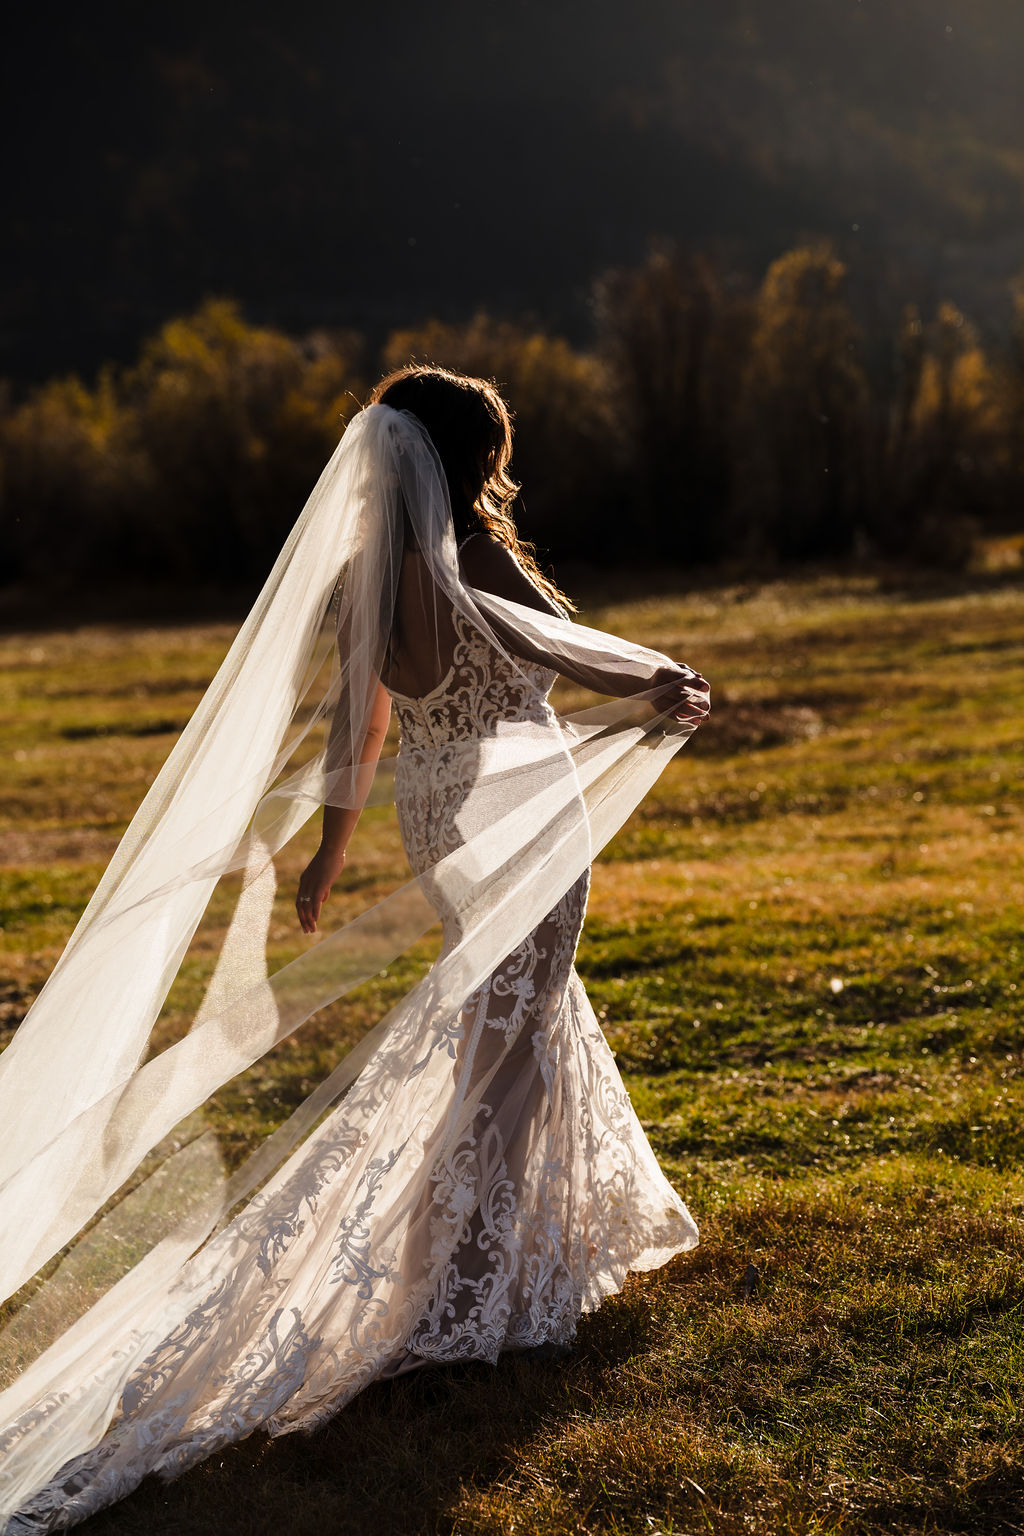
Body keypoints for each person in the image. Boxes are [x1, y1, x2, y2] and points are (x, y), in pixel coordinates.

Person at [0, 366, 708, 1531]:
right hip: (523, 817)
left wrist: (332, 855)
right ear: (463, 459)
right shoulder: (473, 560)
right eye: (486, 450)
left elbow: (362, 723)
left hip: (440, 823)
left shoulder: (364, 571)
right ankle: (467, 1289)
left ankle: (542, 1240)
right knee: (508, 1040)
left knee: (520, 1019)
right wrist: (657, 680)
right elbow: (559, 648)